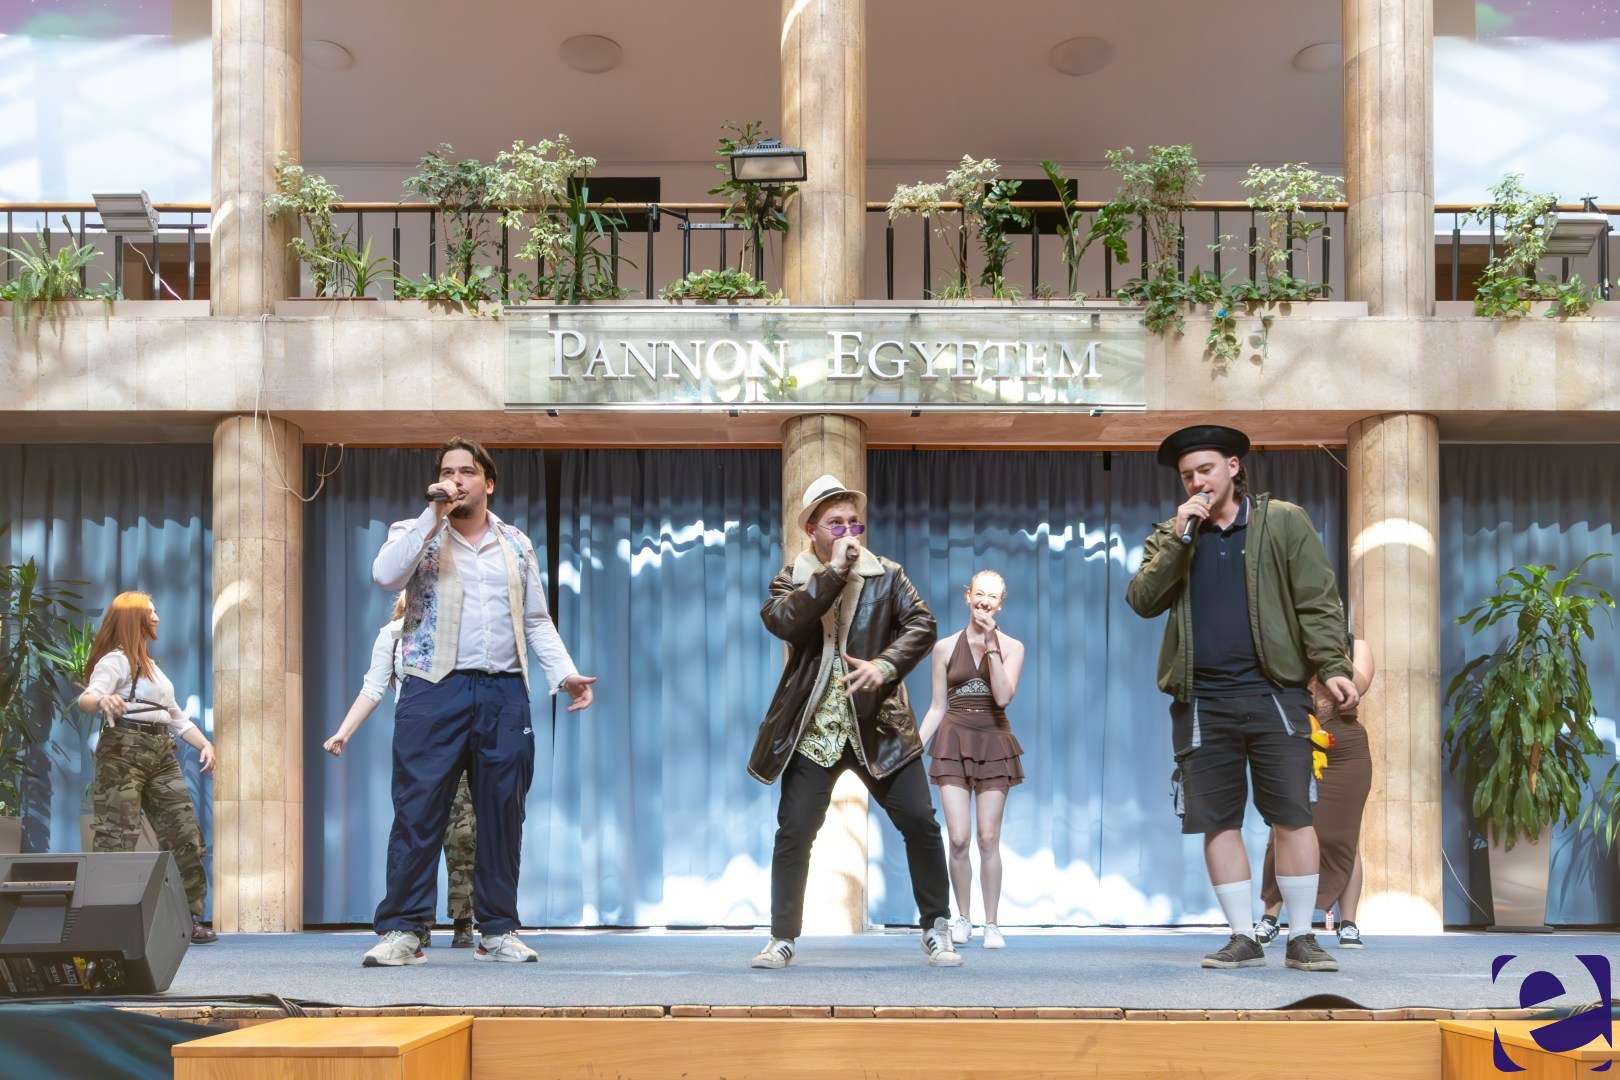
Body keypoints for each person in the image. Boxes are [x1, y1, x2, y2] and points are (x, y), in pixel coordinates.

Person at [1126, 425, 1358, 973]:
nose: (1196, 482)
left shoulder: (1282, 521)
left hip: (1275, 692)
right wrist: (1180, 537)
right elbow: (1143, 599)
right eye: (1187, 476)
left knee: (1293, 815)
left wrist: (1333, 666)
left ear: (1233, 467)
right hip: (1202, 699)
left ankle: (1302, 936)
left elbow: (1317, 600)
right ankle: (1241, 936)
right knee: (1218, 820)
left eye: (1205, 470)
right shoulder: (1171, 534)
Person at [363, 436, 596, 968]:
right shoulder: (414, 531)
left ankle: (497, 929)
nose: (456, 480)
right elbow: (385, 576)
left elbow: (536, 619)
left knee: (502, 814)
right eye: (448, 471)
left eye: (467, 471)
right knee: (418, 810)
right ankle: (404, 930)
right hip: (431, 688)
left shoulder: (516, 543)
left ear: (488, 483)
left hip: (504, 691)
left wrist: (564, 674)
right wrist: (433, 514)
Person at [748, 474, 959, 969]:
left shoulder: (887, 574)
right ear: (812, 531)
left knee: (920, 822)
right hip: (814, 729)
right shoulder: (792, 580)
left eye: (853, 524)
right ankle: (782, 937)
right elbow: (783, 621)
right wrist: (833, 574)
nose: (848, 533)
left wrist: (885, 665)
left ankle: (936, 926)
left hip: (879, 724)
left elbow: (922, 623)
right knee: (794, 832)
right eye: (836, 524)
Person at [324, 591, 478, 948]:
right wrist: (343, 732)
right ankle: (415, 920)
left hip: (460, 740)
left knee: (463, 835)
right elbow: (373, 688)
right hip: (420, 743)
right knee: (416, 831)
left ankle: (464, 918)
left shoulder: (457, 628)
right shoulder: (392, 635)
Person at [77, 591, 219, 945]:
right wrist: (103, 699)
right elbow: (86, 698)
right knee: (116, 837)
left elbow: (176, 718)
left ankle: (188, 919)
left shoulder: (153, 668)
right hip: (123, 751)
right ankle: (108, 924)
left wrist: (205, 744)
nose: (156, 617)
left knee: (184, 834)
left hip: (161, 752)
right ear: (133, 618)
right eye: (150, 611)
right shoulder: (115, 661)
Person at [918, 570, 1026, 949]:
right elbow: (937, 707)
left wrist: (992, 644)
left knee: (988, 838)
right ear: (968, 597)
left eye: (992, 597)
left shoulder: (1012, 647)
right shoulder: (945, 648)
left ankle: (991, 923)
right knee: (959, 839)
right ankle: (962, 917)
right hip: (952, 740)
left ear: (1000, 604)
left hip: (994, 742)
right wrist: (912, 748)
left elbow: (1003, 697)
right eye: (979, 594)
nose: (984, 601)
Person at [1256, 633, 1376, 949]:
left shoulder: (1357, 647)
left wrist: (1331, 647)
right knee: (1283, 830)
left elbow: (1357, 688)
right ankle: (1270, 917)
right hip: (1297, 737)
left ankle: (1348, 924)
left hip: (1345, 748)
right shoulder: (1288, 640)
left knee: (1344, 836)